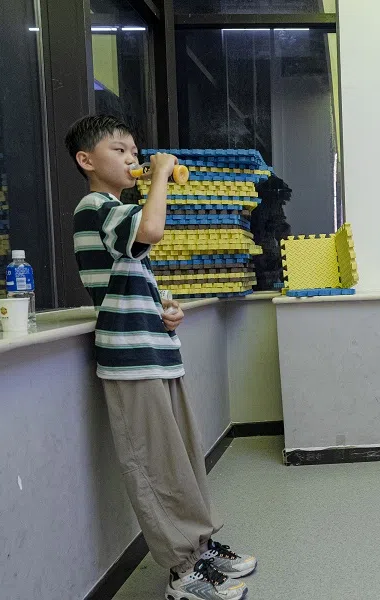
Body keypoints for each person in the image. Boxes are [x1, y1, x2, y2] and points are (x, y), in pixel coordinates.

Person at [66, 115, 255, 600]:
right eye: (119, 151)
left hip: (155, 354)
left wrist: (164, 309)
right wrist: (164, 170)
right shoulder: (96, 206)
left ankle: (199, 548)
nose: (133, 159)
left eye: (135, 151)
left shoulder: (116, 212)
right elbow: (152, 228)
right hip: (131, 363)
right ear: (87, 161)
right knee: (154, 466)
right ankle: (182, 573)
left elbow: (131, 274)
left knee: (182, 460)